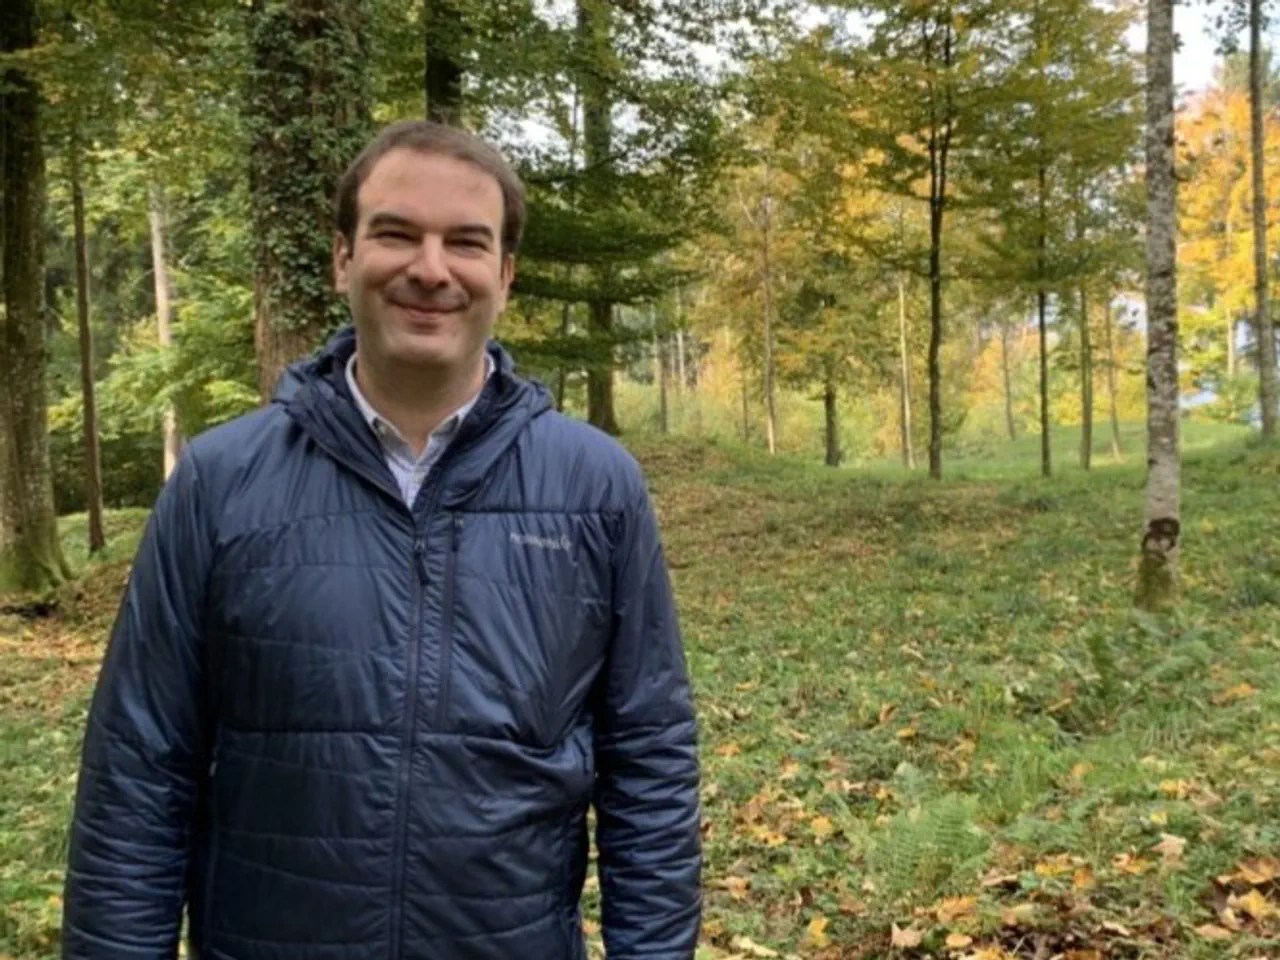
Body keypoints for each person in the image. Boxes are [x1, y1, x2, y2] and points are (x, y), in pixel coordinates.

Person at [62, 120, 701, 960]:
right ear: (342, 258)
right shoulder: (220, 484)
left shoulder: (596, 489)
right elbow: (139, 769)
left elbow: (648, 764)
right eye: (396, 233)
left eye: (465, 243)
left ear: (504, 274)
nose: (430, 269)